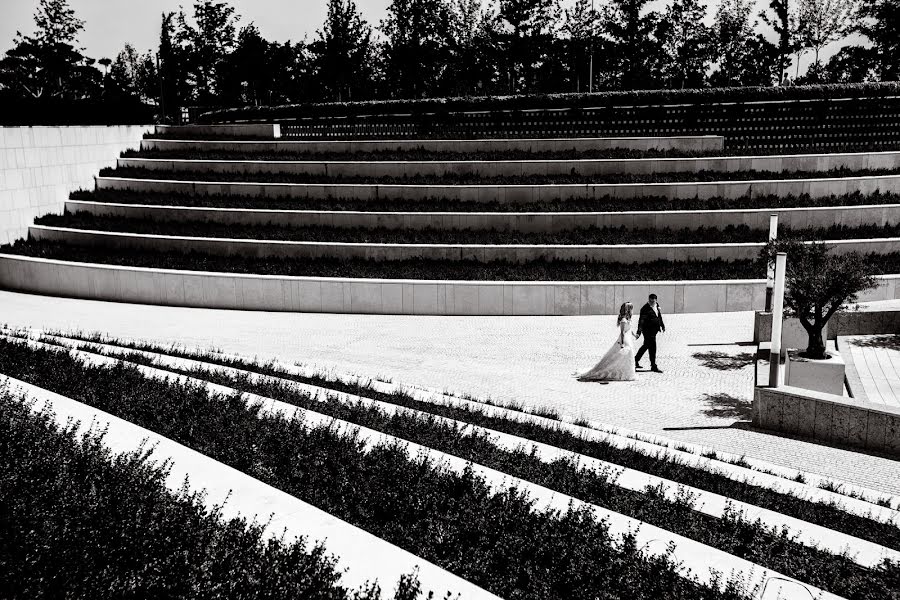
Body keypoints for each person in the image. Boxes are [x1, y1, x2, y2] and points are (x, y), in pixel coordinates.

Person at [574, 302, 637, 382]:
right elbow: (622, 332)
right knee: (619, 357)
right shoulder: (624, 320)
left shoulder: (628, 319)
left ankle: (627, 373)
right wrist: (622, 343)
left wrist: (635, 335)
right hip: (624, 340)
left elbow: (629, 329)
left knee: (627, 357)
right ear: (628, 309)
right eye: (631, 308)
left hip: (628, 339)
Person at [635, 293, 665, 373]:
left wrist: (662, 325)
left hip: (654, 331)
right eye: (650, 301)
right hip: (647, 331)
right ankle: (653, 365)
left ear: (656, 300)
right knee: (653, 347)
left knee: (646, 345)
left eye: (653, 301)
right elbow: (641, 321)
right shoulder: (645, 309)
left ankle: (635, 360)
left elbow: (659, 316)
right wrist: (639, 332)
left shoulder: (657, 305)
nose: (652, 302)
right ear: (648, 300)